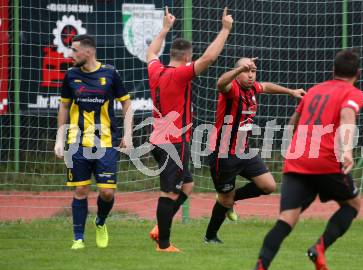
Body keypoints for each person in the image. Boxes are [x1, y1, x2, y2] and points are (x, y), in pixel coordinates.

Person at [251, 49, 363, 270]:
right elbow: (346, 118)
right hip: (326, 160)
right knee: (352, 205)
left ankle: (260, 269)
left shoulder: (314, 90)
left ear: (333, 70)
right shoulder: (353, 93)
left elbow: (293, 122)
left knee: (287, 219)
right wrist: (347, 151)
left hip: (298, 159)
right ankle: (319, 248)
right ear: (358, 74)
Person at [146, 6, 233, 252]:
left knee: (187, 186)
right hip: (172, 142)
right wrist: (225, 30)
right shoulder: (181, 74)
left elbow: (151, 52)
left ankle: (159, 228)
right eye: (191, 57)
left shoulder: (156, 70)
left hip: (158, 139)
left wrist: (164, 29)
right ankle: (163, 244)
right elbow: (209, 58)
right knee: (169, 194)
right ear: (187, 57)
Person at [203, 57, 306, 244]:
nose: (250, 75)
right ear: (237, 72)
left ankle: (230, 198)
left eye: (253, 71)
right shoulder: (231, 88)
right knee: (225, 201)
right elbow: (221, 83)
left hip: (244, 151)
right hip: (223, 154)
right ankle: (210, 236)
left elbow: (265, 86)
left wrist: (291, 92)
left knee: (268, 186)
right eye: (246, 71)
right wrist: (237, 70)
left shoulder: (252, 89)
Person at [54, 34, 133, 250]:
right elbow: (63, 107)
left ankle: (100, 222)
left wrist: (128, 135)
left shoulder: (110, 73)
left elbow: (126, 104)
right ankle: (78, 238)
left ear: (88, 52)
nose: (71, 54)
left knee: (107, 192)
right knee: (81, 190)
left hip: (105, 142)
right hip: (77, 142)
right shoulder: (70, 75)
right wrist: (59, 138)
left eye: (74, 50)